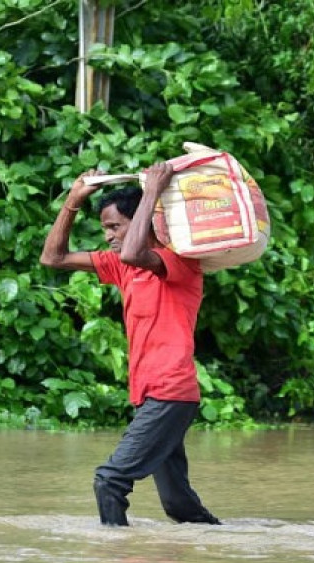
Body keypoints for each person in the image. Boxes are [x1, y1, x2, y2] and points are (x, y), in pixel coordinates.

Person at [39, 163, 221, 527]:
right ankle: (229, 547)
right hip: (150, 394)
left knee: (109, 480)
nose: (108, 236)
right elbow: (52, 258)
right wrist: (73, 202)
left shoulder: (180, 263)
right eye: (105, 228)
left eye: (114, 227)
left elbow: (135, 252)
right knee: (178, 506)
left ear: (141, 220)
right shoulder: (124, 267)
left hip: (170, 392)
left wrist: (151, 192)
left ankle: (114, 554)